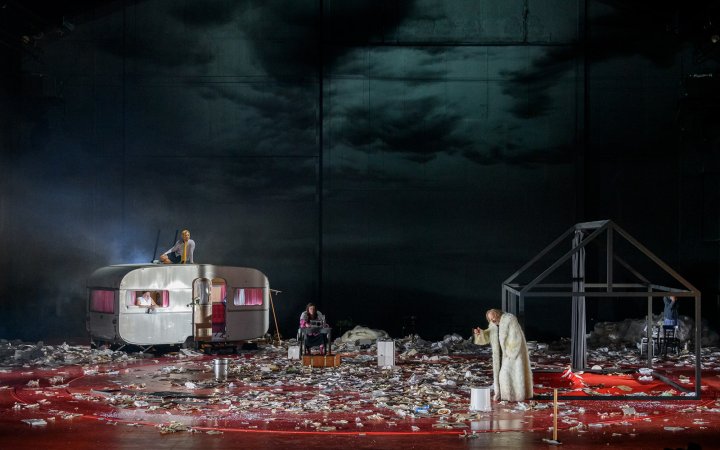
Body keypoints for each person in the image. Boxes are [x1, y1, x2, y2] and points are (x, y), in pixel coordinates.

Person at [473, 308, 533, 402]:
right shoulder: (493, 324)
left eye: (493, 317)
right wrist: (480, 333)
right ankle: (502, 395)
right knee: (501, 375)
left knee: (508, 374)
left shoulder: (509, 319)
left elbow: (515, 336)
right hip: (500, 354)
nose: (492, 320)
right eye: (490, 319)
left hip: (512, 353)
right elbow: (489, 335)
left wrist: (511, 352)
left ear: (498, 314)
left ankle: (512, 396)